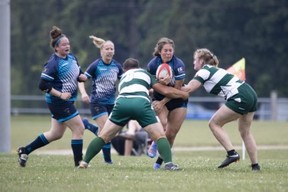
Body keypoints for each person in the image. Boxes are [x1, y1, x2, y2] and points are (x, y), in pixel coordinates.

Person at [78, 58, 189, 170]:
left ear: (125, 70)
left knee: (103, 136)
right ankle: (169, 164)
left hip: (122, 104)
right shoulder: (145, 73)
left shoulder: (123, 78)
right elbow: (164, 91)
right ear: (138, 67)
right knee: (160, 136)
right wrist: (182, 94)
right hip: (140, 103)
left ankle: (84, 162)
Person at [17, 26, 87, 167]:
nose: (67, 46)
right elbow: (42, 85)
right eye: (63, 45)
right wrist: (60, 94)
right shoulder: (53, 63)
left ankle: (25, 150)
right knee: (79, 129)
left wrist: (82, 76)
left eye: (68, 44)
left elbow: (79, 73)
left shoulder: (72, 57)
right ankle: (79, 163)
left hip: (67, 101)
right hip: (58, 102)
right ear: (56, 48)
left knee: (55, 134)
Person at [182, 48, 260, 171]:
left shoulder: (204, 70)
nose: (193, 63)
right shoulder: (215, 70)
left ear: (201, 60)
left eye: (195, 60)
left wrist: (169, 86)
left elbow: (188, 89)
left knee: (214, 123)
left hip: (240, 96)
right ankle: (255, 166)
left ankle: (232, 153)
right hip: (251, 93)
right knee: (245, 132)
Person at [78, 35, 123, 164]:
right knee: (106, 131)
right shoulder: (95, 65)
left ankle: (88, 126)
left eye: (112, 49)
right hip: (97, 102)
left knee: (111, 132)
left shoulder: (116, 66)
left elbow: (124, 81)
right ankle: (108, 161)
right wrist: (83, 93)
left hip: (111, 103)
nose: (109, 51)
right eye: (107, 49)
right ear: (101, 51)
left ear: (114, 51)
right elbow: (81, 80)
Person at [146, 37, 188, 169]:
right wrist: (156, 93)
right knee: (162, 123)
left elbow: (176, 90)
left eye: (170, 50)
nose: (168, 53)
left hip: (177, 100)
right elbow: (151, 85)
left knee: (171, 134)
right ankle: (154, 142)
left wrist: (164, 101)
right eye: (165, 50)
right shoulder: (153, 65)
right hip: (158, 98)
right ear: (159, 51)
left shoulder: (178, 64)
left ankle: (159, 162)